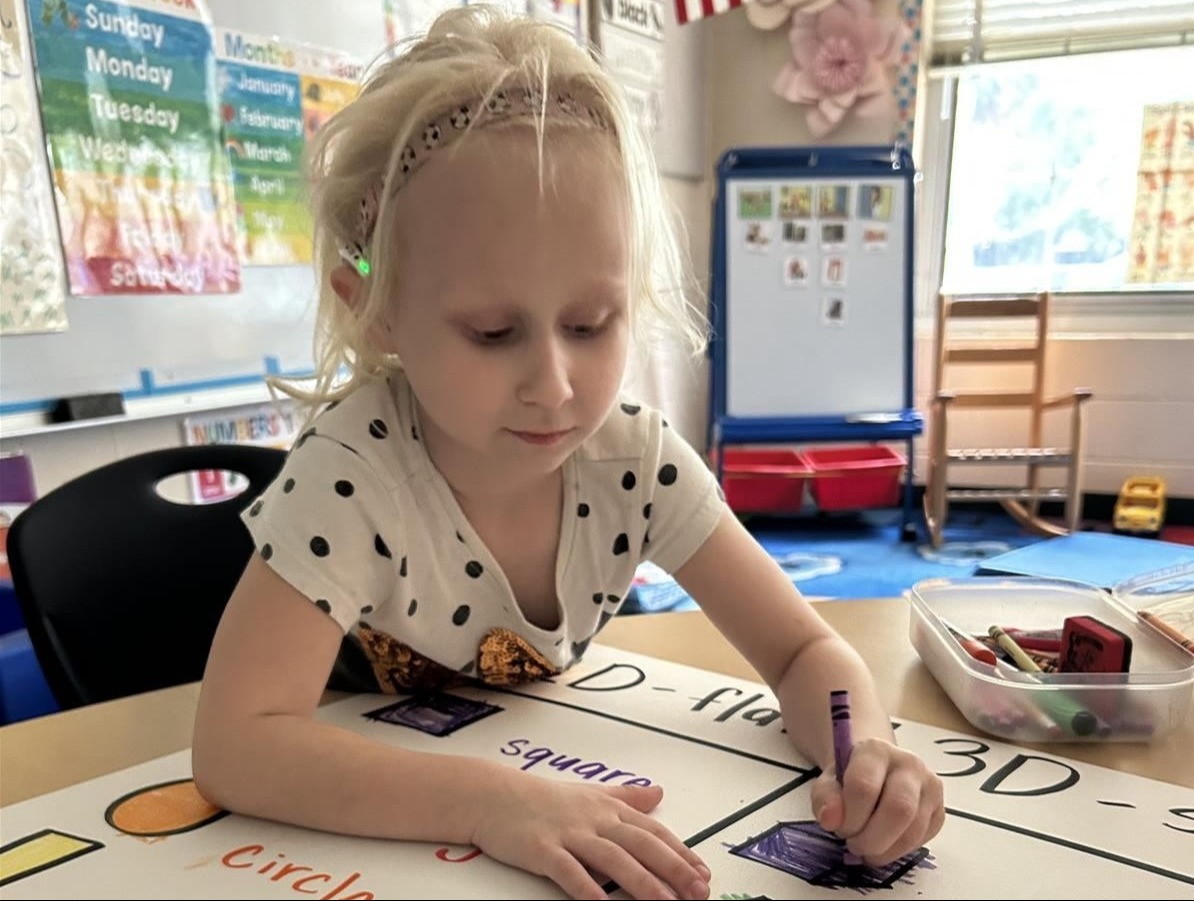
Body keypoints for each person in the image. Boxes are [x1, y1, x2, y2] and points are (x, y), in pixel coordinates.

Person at [192, 8, 944, 900]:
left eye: (591, 323)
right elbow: (237, 742)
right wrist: (489, 803)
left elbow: (802, 651)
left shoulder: (635, 460)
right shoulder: (352, 475)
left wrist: (869, 750)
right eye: (492, 329)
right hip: (354, 836)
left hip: (542, 757)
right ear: (373, 306)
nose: (554, 384)